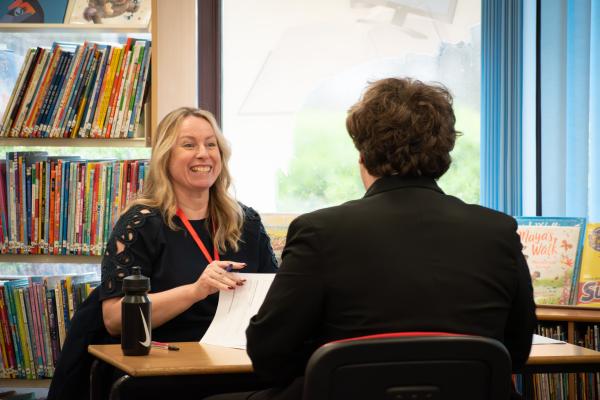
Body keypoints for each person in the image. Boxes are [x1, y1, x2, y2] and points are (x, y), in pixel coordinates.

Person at [204, 78, 537, 400]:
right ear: (445, 153)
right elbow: (517, 350)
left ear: (363, 153)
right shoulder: (497, 230)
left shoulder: (321, 231)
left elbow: (270, 355)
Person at [100, 106, 278, 342]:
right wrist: (196, 291)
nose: (203, 153)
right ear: (166, 156)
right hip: (168, 362)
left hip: (238, 360)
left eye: (211, 144)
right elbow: (114, 320)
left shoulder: (247, 222)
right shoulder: (140, 224)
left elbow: (275, 298)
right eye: (189, 145)